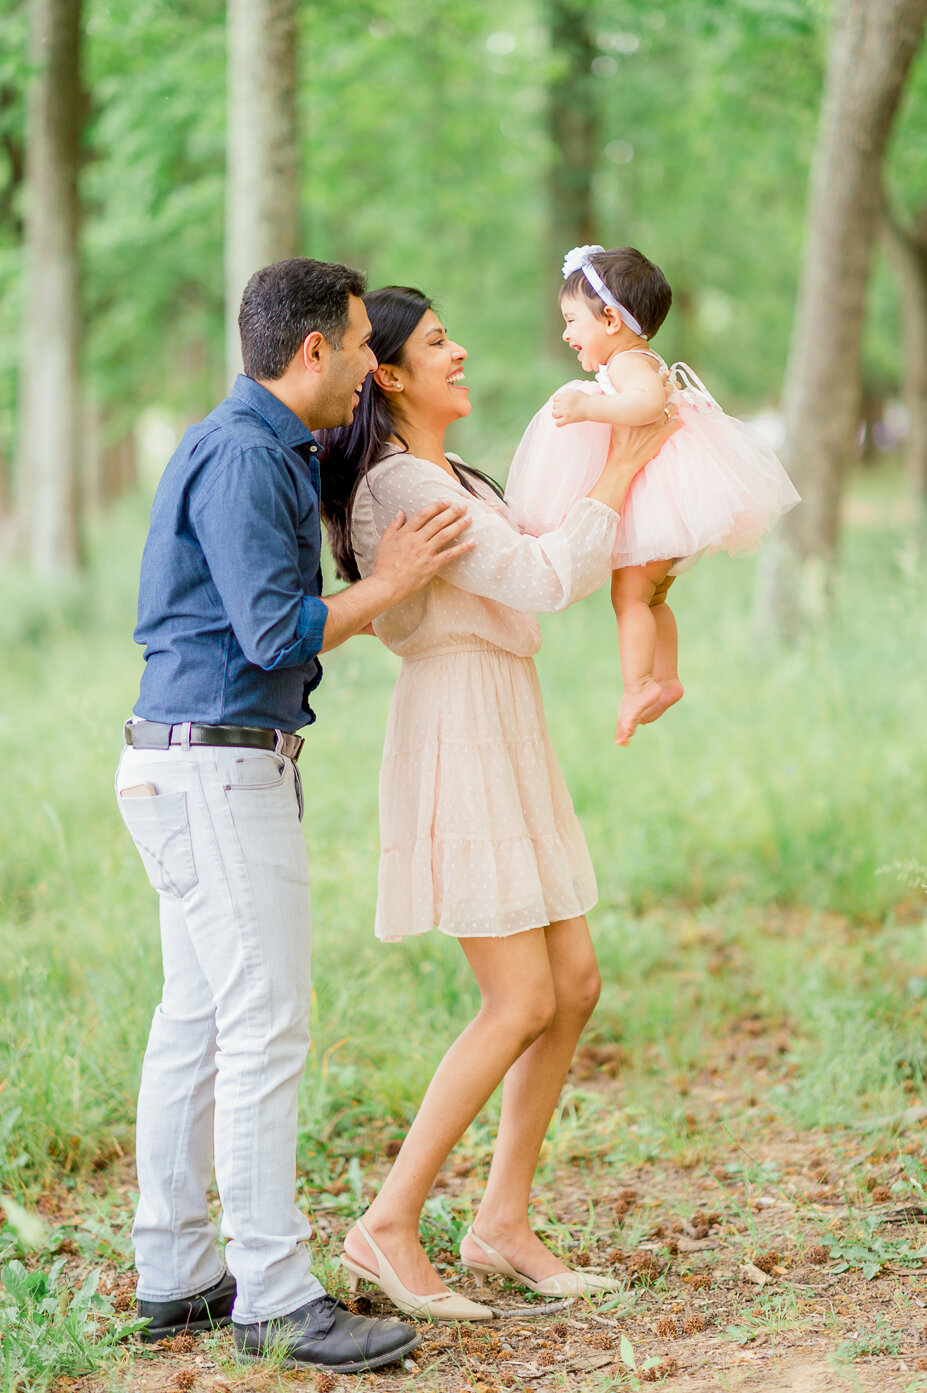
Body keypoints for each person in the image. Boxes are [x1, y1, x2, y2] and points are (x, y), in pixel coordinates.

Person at [115, 258, 476, 1374]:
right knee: (264, 1025)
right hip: (217, 773)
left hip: (190, 766)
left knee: (201, 1016)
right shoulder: (241, 457)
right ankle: (273, 1292)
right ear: (312, 350)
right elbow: (277, 635)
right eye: (365, 343)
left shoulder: (264, 445)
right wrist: (393, 577)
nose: (375, 362)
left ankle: (175, 1269)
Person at [318, 285, 677, 1321]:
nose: (460, 351)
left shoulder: (451, 471)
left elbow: (556, 553)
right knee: (519, 995)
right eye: (439, 344)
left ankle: (502, 1222)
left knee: (573, 983)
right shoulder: (396, 482)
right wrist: (625, 462)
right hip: (458, 727)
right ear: (386, 373)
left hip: (502, 714)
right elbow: (538, 575)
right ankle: (386, 1223)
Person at [504, 244, 801, 746]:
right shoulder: (635, 359)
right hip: (671, 503)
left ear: (612, 321)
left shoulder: (629, 367)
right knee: (654, 595)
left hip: (660, 502)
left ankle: (640, 684)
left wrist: (587, 408)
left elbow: (643, 406)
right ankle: (666, 679)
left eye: (573, 321)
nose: (566, 333)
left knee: (629, 595)